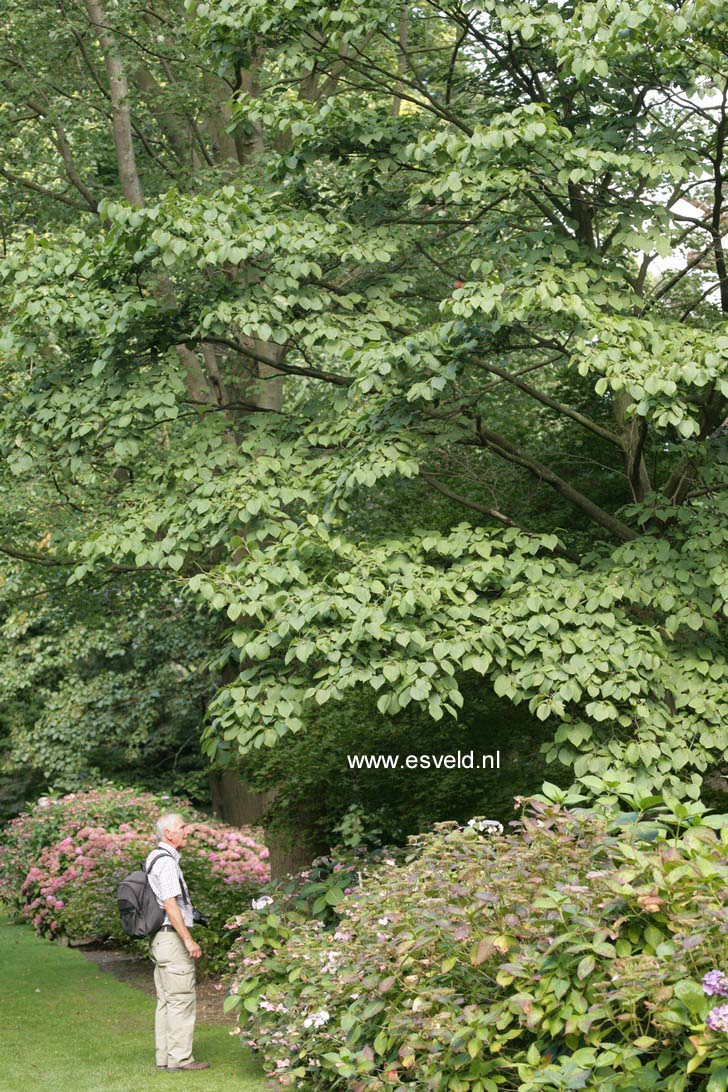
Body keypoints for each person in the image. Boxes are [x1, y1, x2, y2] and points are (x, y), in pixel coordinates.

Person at [146, 812, 210, 1072]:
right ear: (168, 834)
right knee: (181, 999)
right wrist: (188, 939)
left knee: (166, 1001)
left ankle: (165, 1059)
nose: (188, 830)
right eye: (182, 827)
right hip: (171, 940)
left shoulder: (153, 858)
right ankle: (181, 1060)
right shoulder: (168, 863)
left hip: (159, 941)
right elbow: (170, 903)